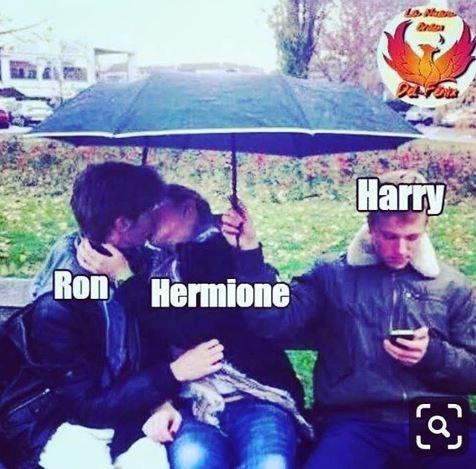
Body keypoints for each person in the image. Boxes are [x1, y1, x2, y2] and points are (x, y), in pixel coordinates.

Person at [221, 170, 476, 468]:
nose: (401, 249)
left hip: (434, 416)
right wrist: (249, 253)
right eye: (389, 236)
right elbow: (273, 321)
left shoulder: (452, 286)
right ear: (370, 226)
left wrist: (433, 355)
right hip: (356, 419)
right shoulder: (331, 275)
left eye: (412, 237)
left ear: (426, 226)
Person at [2, 162, 223, 469]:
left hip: (126, 412)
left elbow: (161, 335)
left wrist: (159, 402)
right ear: (123, 224)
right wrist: (172, 374)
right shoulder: (60, 302)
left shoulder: (140, 263)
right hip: (57, 423)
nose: (156, 217)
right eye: (150, 210)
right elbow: (84, 407)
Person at [81, 183, 309, 469]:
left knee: (268, 464)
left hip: (256, 398)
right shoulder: (152, 266)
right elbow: (147, 345)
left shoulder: (223, 251)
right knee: (194, 463)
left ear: (187, 209)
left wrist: (128, 281)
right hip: (192, 405)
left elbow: (193, 328)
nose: (146, 217)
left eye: (154, 209)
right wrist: (159, 403)